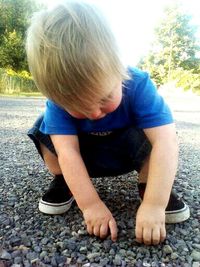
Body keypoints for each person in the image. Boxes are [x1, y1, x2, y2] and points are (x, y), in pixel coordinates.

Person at [26, 1, 190, 245]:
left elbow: (166, 141)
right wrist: (90, 205)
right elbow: (68, 152)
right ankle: (66, 181)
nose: (94, 113)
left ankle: (149, 186)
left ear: (119, 68)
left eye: (104, 98)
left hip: (127, 153)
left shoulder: (139, 83)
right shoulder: (56, 103)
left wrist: (155, 205)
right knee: (44, 128)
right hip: (83, 157)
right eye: (78, 107)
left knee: (156, 133)